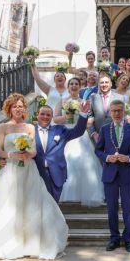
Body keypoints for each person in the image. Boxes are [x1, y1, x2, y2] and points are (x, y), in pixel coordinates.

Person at [0, 93, 68, 260]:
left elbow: (34, 151)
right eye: (15, 106)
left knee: (31, 204)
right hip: (10, 169)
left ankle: (31, 243)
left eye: (21, 106)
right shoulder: (3, 127)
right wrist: (12, 156)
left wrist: (27, 153)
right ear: (9, 108)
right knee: (10, 205)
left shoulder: (30, 127)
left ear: (25, 109)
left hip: (28, 170)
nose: (18, 109)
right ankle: (10, 243)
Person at [95, 100, 130, 252]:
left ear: (124, 112)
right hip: (109, 174)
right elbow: (98, 150)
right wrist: (108, 157)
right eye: (114, 110)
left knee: (128, 208)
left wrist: (128, 158)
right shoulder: (104, 129)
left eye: (119, 110)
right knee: (111, 208)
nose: (116, 113)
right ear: (109, 112)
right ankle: (114, 238)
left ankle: (128, 238)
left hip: (127, 174)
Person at [52, 78, 104, 206]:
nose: (74, 86)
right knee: (68, 162)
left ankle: (84, 194)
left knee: (84, 163)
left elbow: (91, 119)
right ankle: (66, 195)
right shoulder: (62, 101)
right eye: (71, 84)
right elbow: (55, 118)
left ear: (80, 87)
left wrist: (81, 117)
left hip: (81, 135)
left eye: (76, 84)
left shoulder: (84, 102)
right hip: (66, 134)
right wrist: (67, 117)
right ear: (68, 87)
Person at [88, 75, 125, 143]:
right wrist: (93, 133)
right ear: (99, 84)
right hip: (97, 137)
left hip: (115, 137)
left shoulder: (120, 98)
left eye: (106, 82)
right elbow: (89, 117)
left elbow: (123, 117)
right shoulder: (93, 98)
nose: (104, 84)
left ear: (111, 84)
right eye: (102, 82)